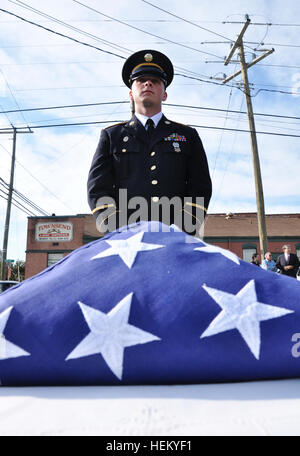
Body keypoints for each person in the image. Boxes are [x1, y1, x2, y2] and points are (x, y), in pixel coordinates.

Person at [87, 49, 212, 235]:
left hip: (175, 239)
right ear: (131, 94)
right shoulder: (112, 136)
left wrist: (181, 231)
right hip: (125, 240)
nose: (148, 83)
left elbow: (200, 187)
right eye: (141, 80)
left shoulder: (187, 135)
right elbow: (98, 188)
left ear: (164, 95)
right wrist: (119, 231)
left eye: (155, 81)